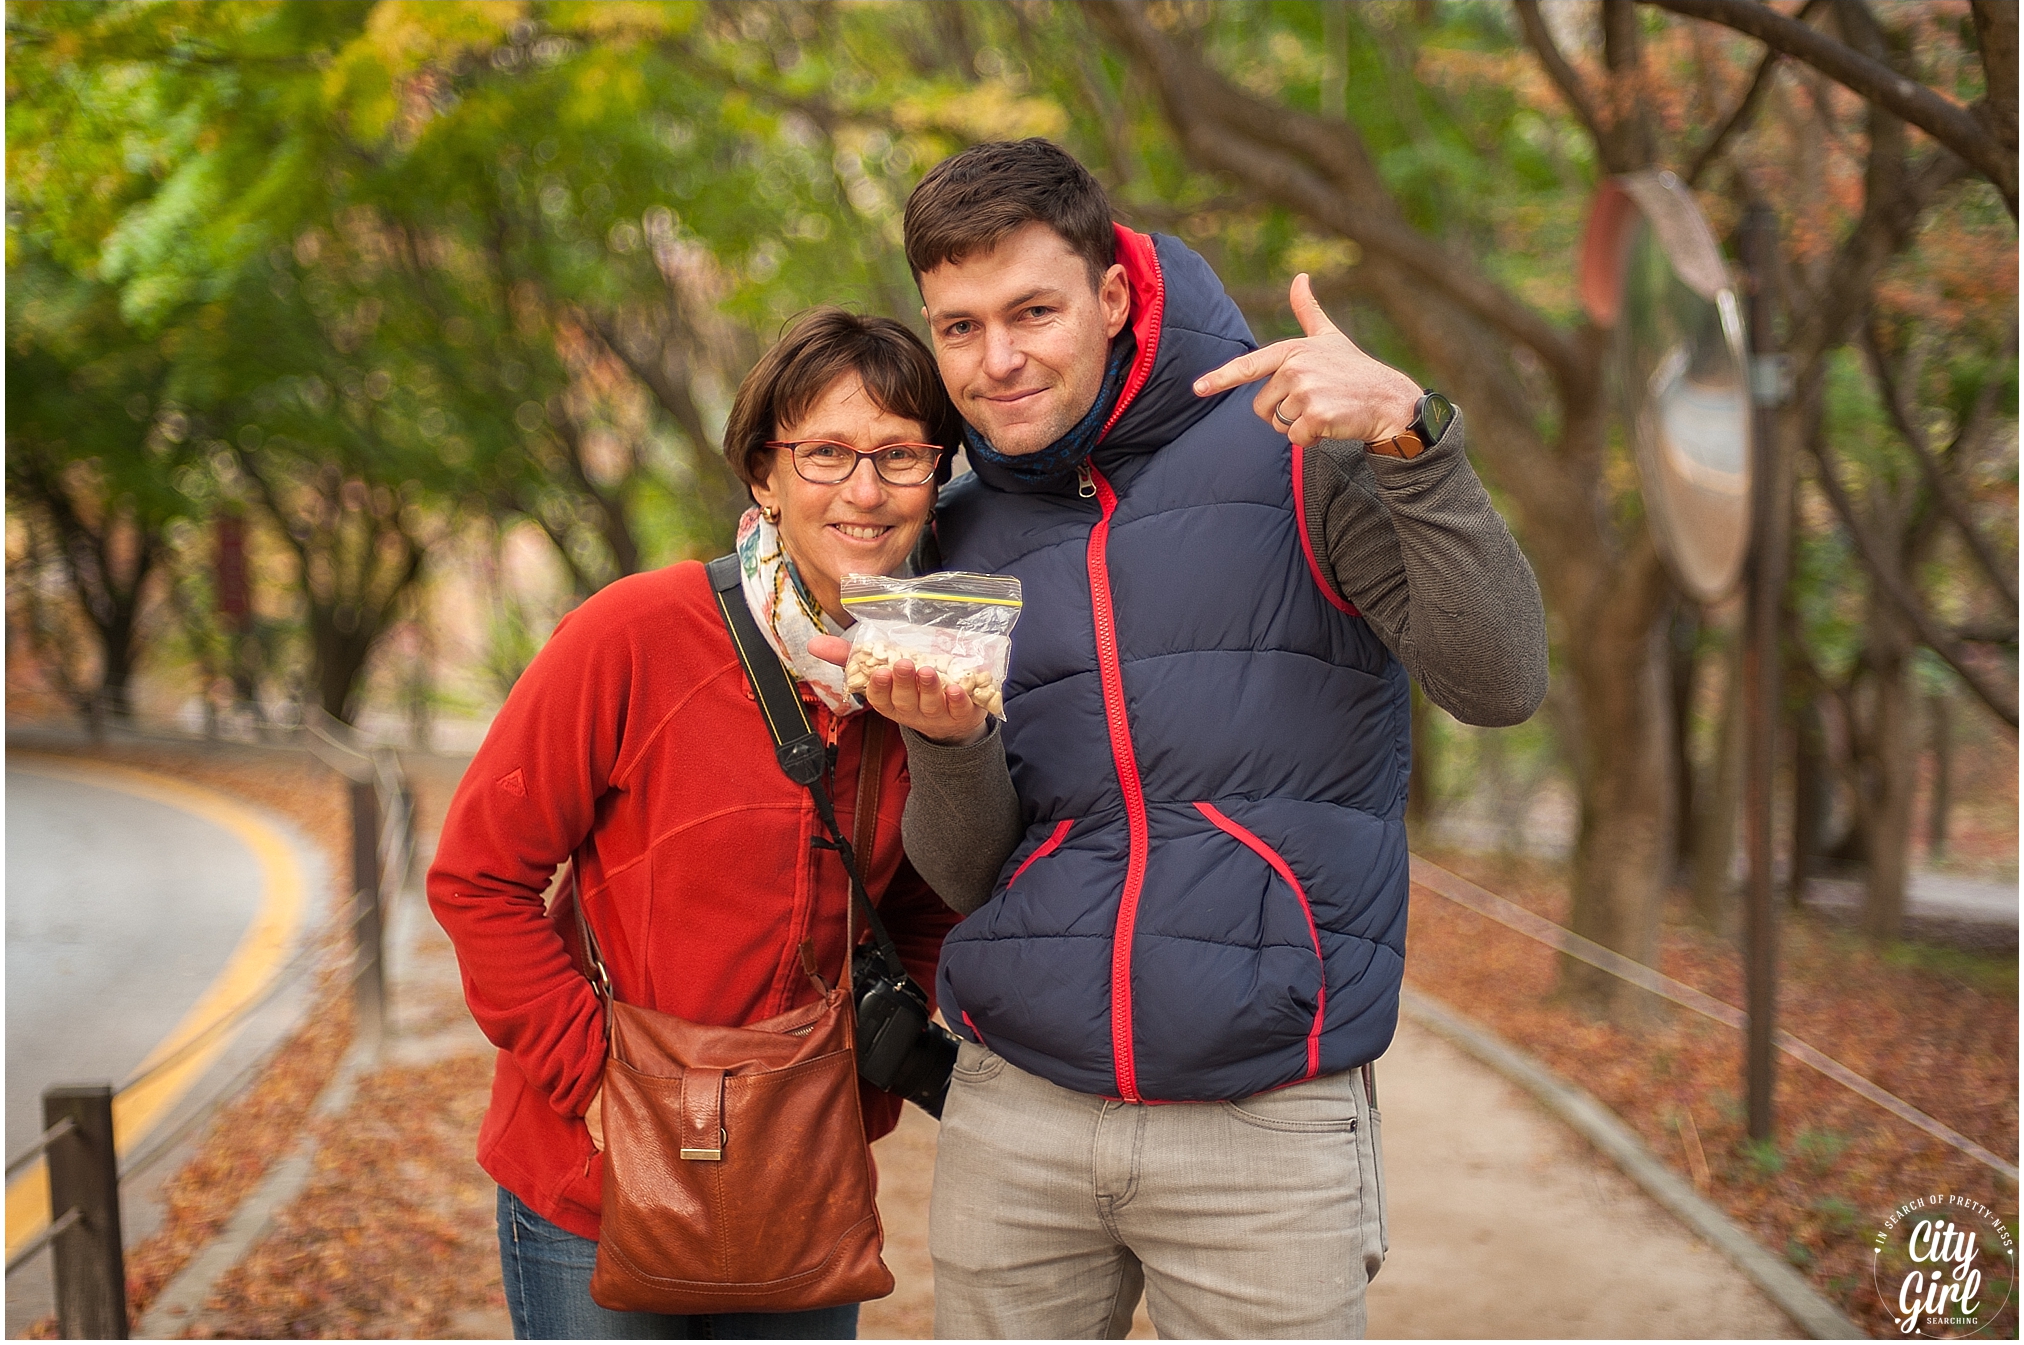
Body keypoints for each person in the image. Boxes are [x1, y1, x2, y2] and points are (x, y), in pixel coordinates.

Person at [837, 138, 1551, 1338]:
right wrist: (948, 746)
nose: (996, 360)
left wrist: (1414, 439)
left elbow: (1499, 682)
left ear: (1111, 296)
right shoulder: (952, 537)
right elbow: (966, 875)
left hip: (1263, 1118)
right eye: (956, 327)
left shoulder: (1300, 447)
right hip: (1015, 1112)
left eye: (1032, 311)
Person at [426, 308, 969, 1340]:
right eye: (826, 454)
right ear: (765, 474)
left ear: (935, 476)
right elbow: (477, 878)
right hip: (598, 1181)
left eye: (899, 455)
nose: (864, 489)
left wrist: (858, 1084)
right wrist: (591, 1081)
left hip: (800, 1179)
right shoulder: (633, 635)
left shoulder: (928, 667)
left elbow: (925, 903)